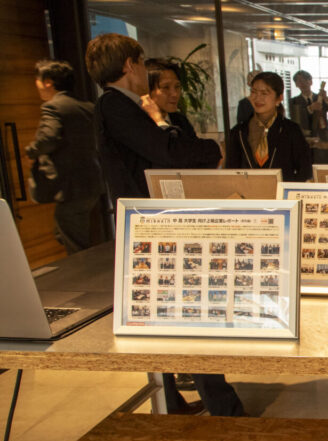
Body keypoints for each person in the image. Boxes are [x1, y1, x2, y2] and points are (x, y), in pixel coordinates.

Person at [86, 33, 246, 418]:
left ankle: (184, 404)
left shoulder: (124, 107)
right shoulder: (116, 106)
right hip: (150, 227)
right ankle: (215, 408)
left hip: (156, 225)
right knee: (188, 315)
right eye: (142, 64)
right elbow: (172, 153)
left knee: (183, 315)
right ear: (130, 65)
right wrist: (210, 148)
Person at [87, 33, 221, 205]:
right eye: (142, 62)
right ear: (130, 65)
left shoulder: (123, 103)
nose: (145, 71)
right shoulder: (113, 104)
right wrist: (214, 148)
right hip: (140, 210)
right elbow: (167, 152)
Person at [24, 60, 103, 254]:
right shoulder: (88, 106)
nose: (37, 85)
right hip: (92, 181)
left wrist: (31, 151)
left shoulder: (53, 107)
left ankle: (85, 272)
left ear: (48, 82)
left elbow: (48, 138)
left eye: (37, 80)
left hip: (70, 185)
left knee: (74, 241)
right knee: (65, 231)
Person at [225, 71, 312, 182]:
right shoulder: (239, 132)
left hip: (281, 192)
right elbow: (231, 172)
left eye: (264, 93)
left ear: (279, 98)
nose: (257, 98)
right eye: (254, 92)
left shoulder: (291, 130)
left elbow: (305, 171)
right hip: (248, 192)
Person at [289, 70, 328, 164]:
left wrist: (326, 98)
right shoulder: (294, 101)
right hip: (303, 141)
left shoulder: (320, 98)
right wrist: (310, 108)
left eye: (305, 80)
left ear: (311, 82)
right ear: (296, 84)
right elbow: (296, 119)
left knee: (323, 166)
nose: (303, 83)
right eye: (299, 81)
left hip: (323, 140)